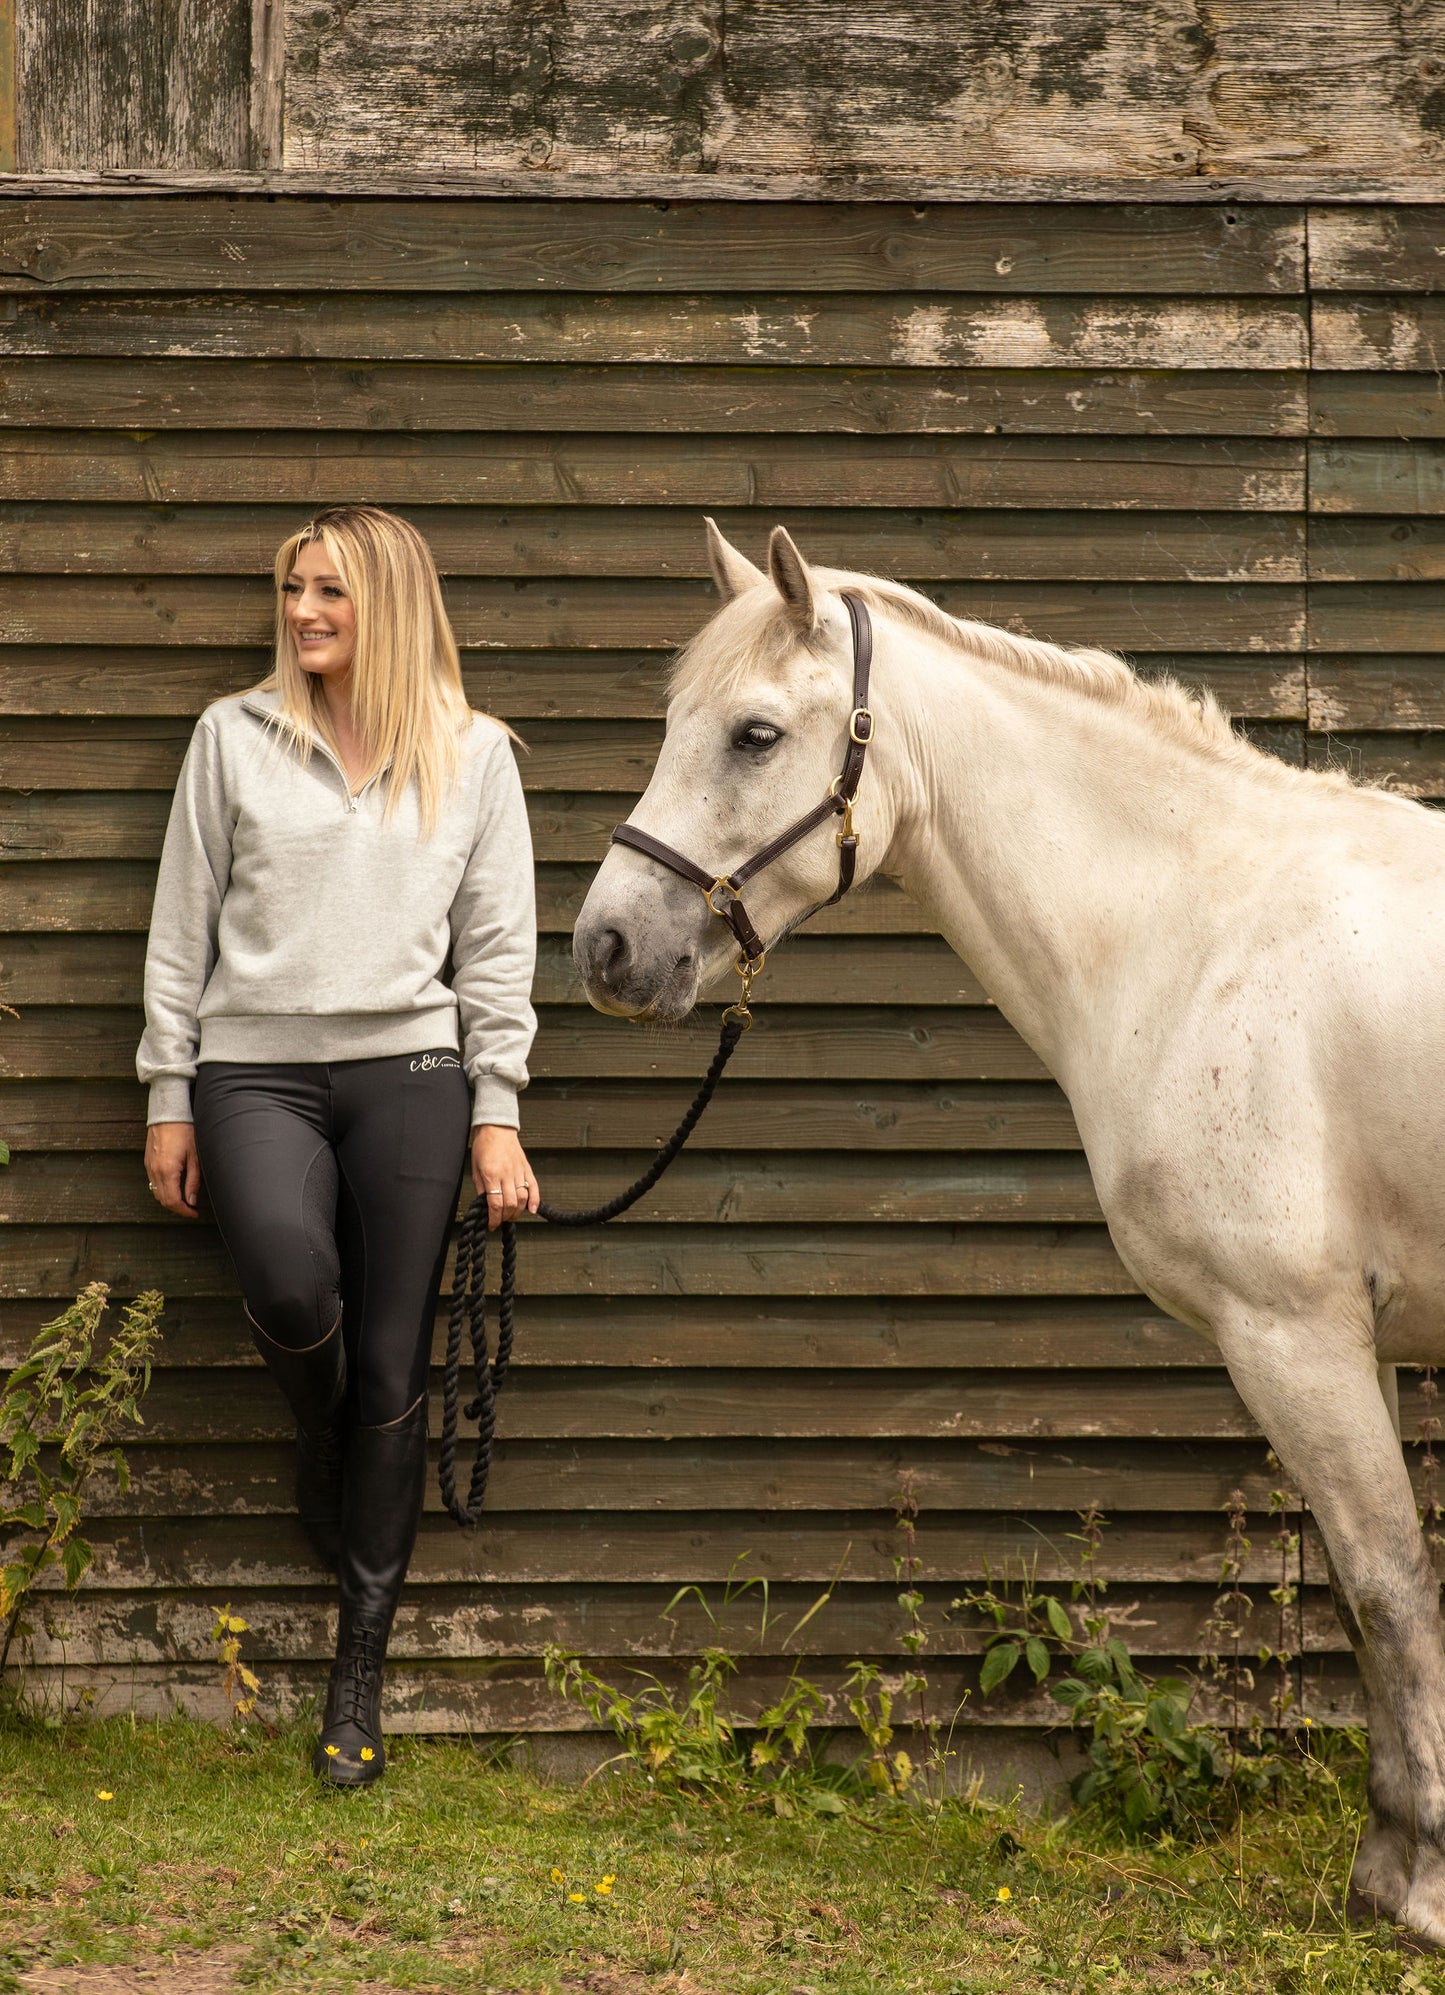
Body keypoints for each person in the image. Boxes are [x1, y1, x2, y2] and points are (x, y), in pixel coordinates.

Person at [136, 504, 539, 1787]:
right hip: (252, 1066)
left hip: (412, 1075)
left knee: (393, 1363)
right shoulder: (232, 739)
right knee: (291, 1287)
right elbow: (180, 924)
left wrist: (498, 1111)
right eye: (292, 589)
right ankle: (321, 1445)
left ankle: (355, 1679)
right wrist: (166, 1089)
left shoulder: (474, 756)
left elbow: (495, 952)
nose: (303, 612)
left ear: (392, 607)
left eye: (330, 593)